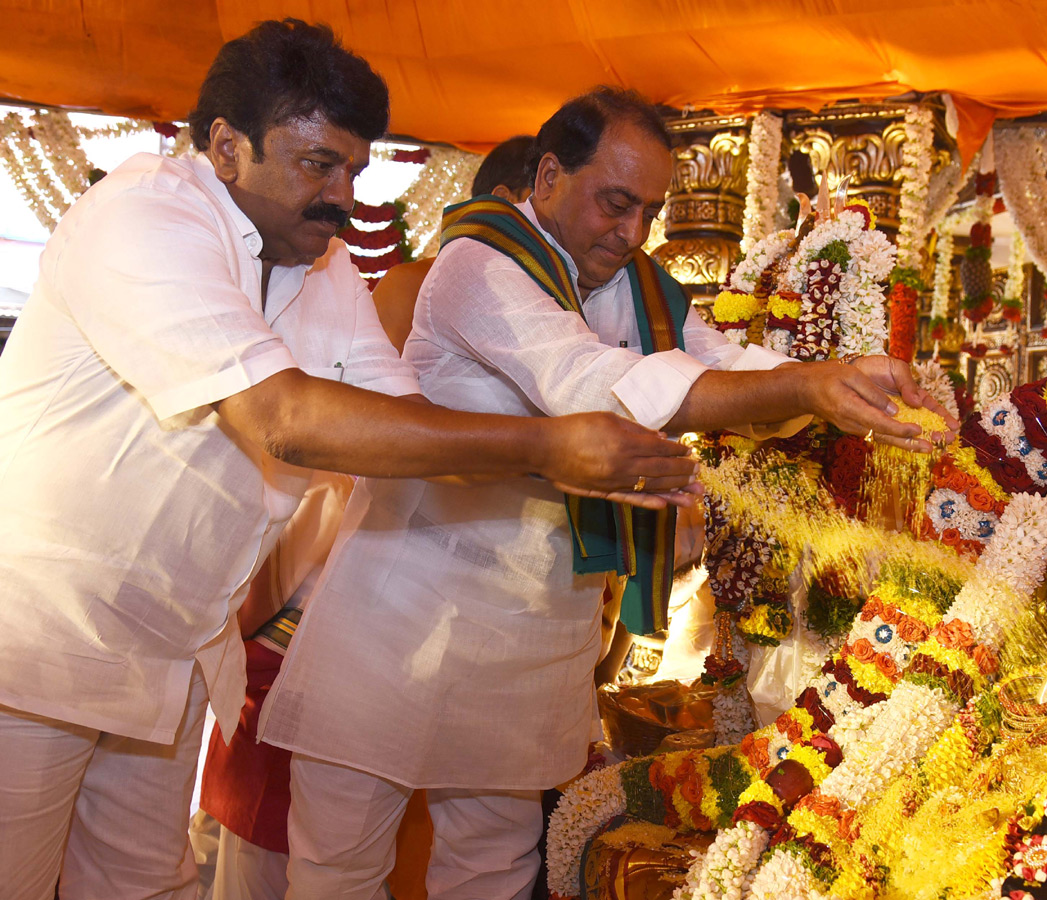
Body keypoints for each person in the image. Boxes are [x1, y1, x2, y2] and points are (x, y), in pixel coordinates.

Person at [0, 23, 697, 900]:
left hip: (171, 652)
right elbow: (282, 420)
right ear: (226, 144)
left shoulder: (319, 264)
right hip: (34, 640)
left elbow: (409, 429)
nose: (344, 199)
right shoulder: (148, 214)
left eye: (357, 173)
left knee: (140, 889)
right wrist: (549, 445)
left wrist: (580, 468)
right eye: (319, 165)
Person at [261, 85, 953, 900]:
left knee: (490, 868)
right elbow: (592, 384)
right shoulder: (476, 268)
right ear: (548, 174)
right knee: (336, 868)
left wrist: (824, 381)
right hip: (403, 613)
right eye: (614, 203)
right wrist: (810, 389)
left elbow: (721, 364)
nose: (631, 234)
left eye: (648, 212)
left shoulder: (640, 290)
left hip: (534, 628)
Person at [191, 135, 541, 900]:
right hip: (337, 605)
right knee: (284, 851)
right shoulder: (416, 286)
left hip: (448, 628)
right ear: (523, 198)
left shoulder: (549, 310)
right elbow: (347, 464)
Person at [370, 134, 535, 350]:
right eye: (543, 202)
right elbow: (374, 381)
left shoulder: (551, 293)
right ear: (504, 199)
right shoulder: (410, 285)